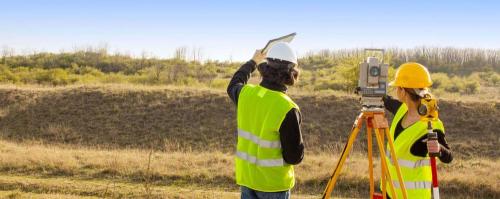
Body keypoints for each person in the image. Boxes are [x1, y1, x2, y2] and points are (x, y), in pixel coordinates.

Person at [227, 42, 304, 199]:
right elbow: (294, 157)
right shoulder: (287, 108)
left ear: (266, 68)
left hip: (247, 179)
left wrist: (253, 61)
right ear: (292, 73)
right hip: (273, 185)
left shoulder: (246, 94)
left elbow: (234, 83)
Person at [381, 62, 453, 199]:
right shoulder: (401, 110)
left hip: (413, 195)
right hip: (390, 191)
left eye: (397, 88)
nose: (396, 91)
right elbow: (387, 101)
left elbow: (449, 156)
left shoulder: (430, 124)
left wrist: (439, 149)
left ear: (402, 91)